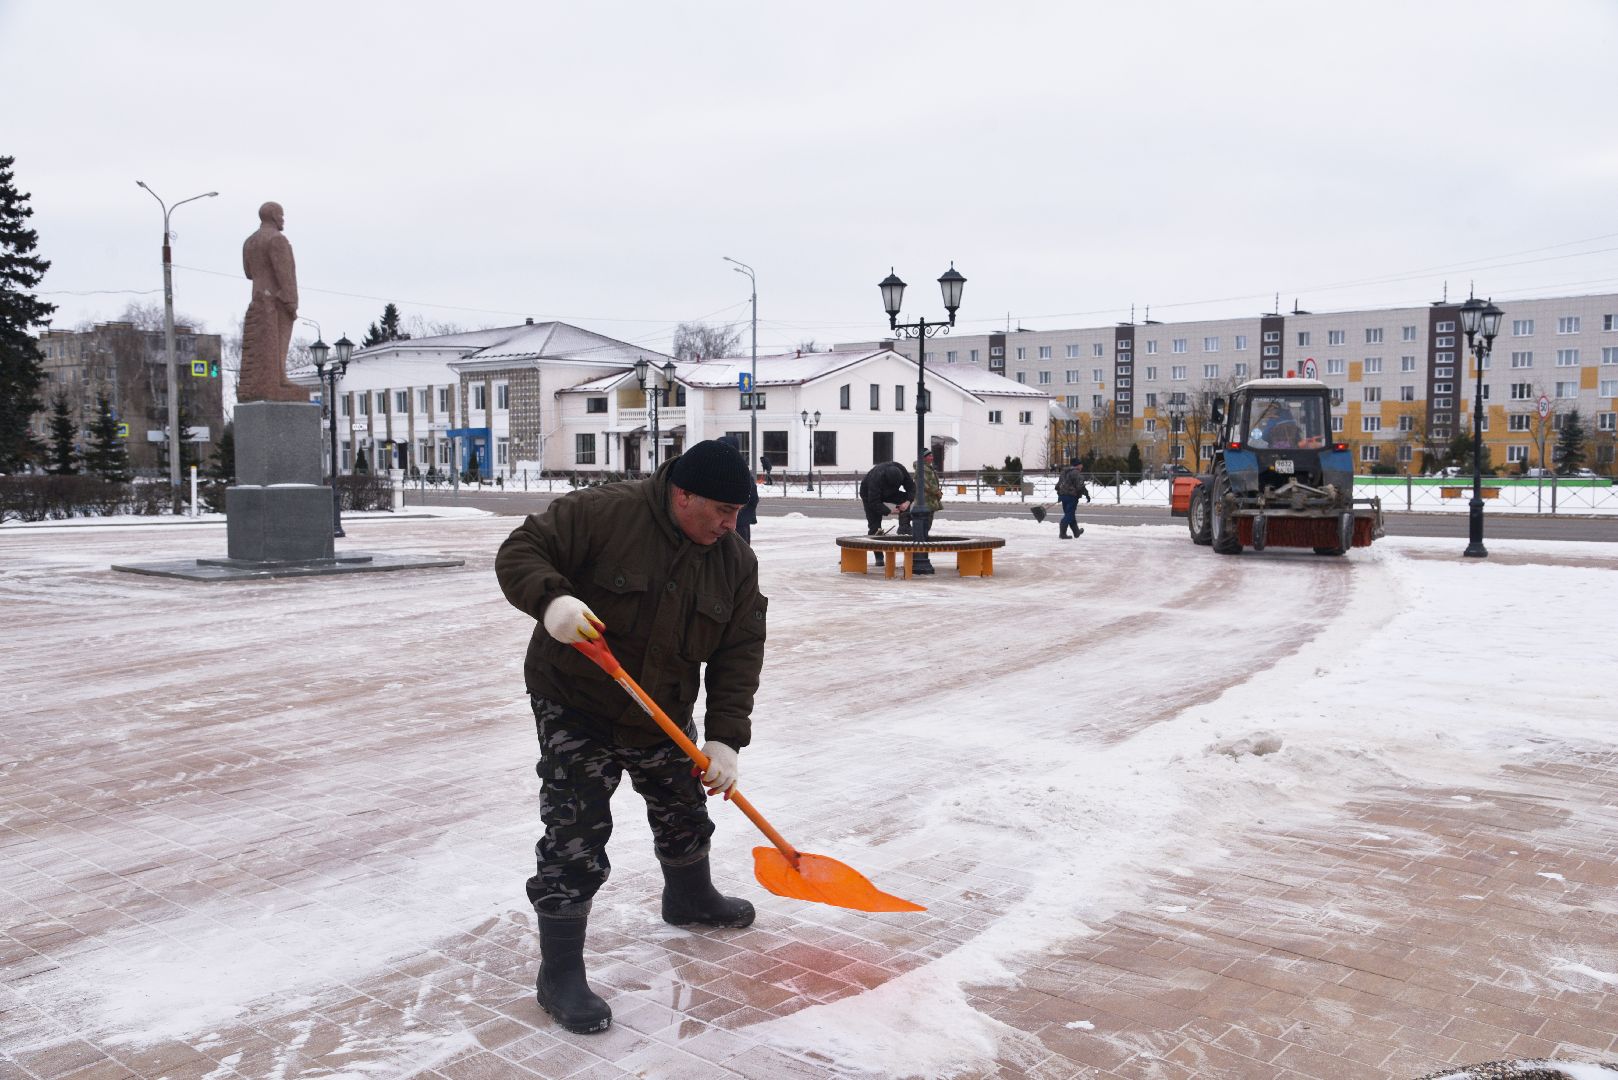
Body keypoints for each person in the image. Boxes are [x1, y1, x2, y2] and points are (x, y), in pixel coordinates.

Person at [494, 439, 767, 1036]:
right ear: (683, 495)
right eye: (723, 510)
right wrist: (552, 600)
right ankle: (559, 973)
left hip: (660, 706)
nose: (731, 524)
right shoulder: (602, 513)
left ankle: (690, 897)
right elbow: (521, 550)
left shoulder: (734, 561)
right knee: (576, 831)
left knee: (682, 804)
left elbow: (739, 652)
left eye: (739, 512)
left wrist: (725, 739)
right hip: (577, 701)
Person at [238, 201, 308, 403]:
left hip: (257, 299)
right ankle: (279, 379)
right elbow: (285, 274)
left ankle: (266, 382)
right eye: (281, 215)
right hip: (278, 301)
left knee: (261, 345)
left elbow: (248, 273)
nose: (283, 219)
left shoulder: (249, 242)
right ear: (274, 216)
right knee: (278, 343)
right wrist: (291, 302)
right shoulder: (277, 239)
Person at [857, 460, 915, 567]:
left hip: (889, 493)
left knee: (904, 498)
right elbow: (874, 502)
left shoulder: (902, 470)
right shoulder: (876, 478)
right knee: (875, 526)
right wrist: (889, 511)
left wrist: (907, 502)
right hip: (869, 495)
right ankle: (879, 556)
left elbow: (911, 488)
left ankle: (904, 527)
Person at [898, 447, 943, 574]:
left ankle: (920, 556)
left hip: (929, 502)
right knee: (922, 533)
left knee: (925, 531)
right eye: (929, 456)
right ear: (923, 458)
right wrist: (937, 492)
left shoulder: (927, 468)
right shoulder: (921, 469)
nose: (932, 458)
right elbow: (925, 484)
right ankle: (918, 558)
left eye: (931, 455)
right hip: (925, 503)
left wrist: (937, 492)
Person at [717, 435, 759, 544]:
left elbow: (752, 497)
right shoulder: (739, 468)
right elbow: (753, 497)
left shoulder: (735, 470)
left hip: (735, 525)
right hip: (737, 524)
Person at [1055, 458, 1090, 540]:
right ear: (1078, 465)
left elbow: (1057, 486)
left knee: (1070, 514)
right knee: (1069, 515)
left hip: (1063, 496)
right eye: (1081, 464)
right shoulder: (1076, 473)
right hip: (1071, 497)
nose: (1082, 466)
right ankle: (1062, 533)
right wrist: (1086, 494)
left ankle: (1076, 532)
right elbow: (1080, 486)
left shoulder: (1064, 472)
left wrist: (1061, 494)